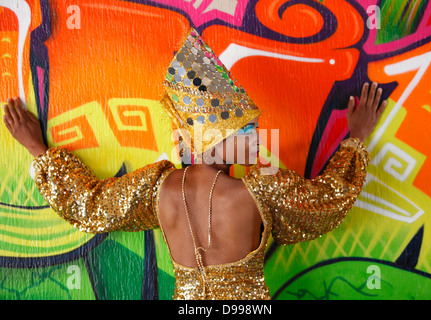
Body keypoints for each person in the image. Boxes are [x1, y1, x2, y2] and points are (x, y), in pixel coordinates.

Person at [2, 28, 386, 300]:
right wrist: (356, 138)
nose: (256, 137)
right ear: (214, 139)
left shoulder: (158, 188)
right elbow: (326, 201)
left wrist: (37, 148)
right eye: (246, 129)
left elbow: (92, 206)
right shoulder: (260, 188)